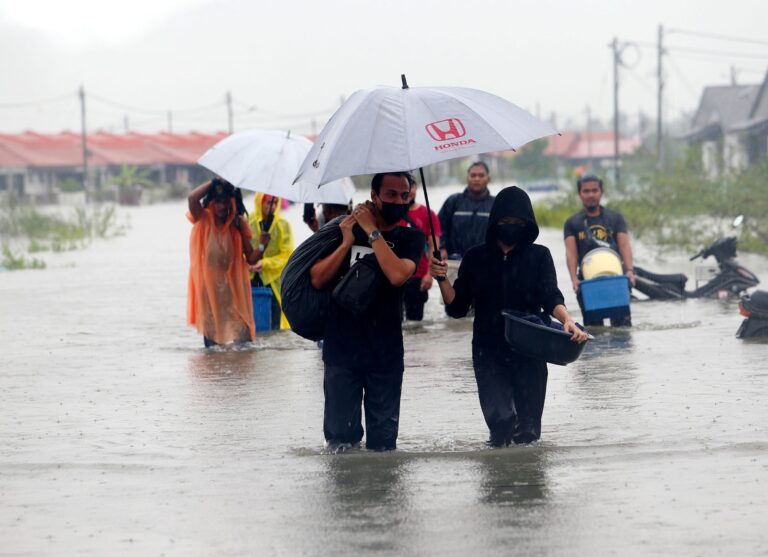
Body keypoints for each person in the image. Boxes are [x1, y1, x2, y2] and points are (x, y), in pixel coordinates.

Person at [430, 186, 587, 446]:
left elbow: (550, 296)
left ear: (528, 224)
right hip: (487, 350)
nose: (511, 227)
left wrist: (567, 320)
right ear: (495, 222)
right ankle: (498, 478)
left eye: (518, 223)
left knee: (528, 433)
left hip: (530, 350)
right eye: (505, 222)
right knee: (501, 421)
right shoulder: (476, 257)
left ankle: (525, 481)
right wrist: (442, 279)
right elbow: (457, 307)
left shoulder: (539, 256)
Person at [309, 172, 424, 452]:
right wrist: (347, 241)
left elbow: (398, 275)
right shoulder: (345, 230)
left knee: (383, 448)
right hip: (341, 351)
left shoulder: (411, 237)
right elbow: (317, 278)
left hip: (385, 354)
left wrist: (373, 232)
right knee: (340, 444)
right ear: (375, 196)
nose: (399, 201)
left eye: (404, 196)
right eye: (391, 195)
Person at [187, 178, 260, 347]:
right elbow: (192, 198)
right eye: (217, 202)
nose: (221, 206)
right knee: (212, 346)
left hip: (233, 290)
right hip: (209, 289)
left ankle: (239, 373)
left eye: (225, 202)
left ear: (232, 201)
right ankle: (216, 372)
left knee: (243, 341)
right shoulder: (203, 218)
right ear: (211, 202)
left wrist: (262, 245)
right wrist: (214, 182)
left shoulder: (237, 223)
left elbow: (251, 258)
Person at [563, 175, 635, 327]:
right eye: (586, 191)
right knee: (593, 329)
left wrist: (629, 271)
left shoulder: (615, 218)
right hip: (587, 281)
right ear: (580, 194)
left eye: (594, 190)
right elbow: (571, 253)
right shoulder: (572, 223)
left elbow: (624, 246)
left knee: (622, 328)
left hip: (616, 278)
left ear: (601, 192)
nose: (590, 195)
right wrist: (574, 279)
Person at [248, 193, 294, 330]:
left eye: (274, 203)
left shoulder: (283, 225)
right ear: (260, 203)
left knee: (274, 323)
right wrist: (248, 263)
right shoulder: (248, 222)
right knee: (250, 321)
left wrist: (265, 263)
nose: (272, 207)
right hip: (250, 278)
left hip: (273, 281)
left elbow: (286, 255)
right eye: (268, 203)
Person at [399, 180, 441, 321]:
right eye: (404, 188)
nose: (408, 191)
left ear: (416, 189)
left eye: (411, 187)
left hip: (418, 277)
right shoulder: (390, 215)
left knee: (415, 325)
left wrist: (430, 274)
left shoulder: (428, 214)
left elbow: (434, 247)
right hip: (394, 275)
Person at [438, 161, 495, 261]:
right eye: (473, 175)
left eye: (481, 175)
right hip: (455, 260)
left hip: (487, 262)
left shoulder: (495, 203)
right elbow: (439, 227)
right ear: (467, 178)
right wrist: (441, 248)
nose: (477, 179)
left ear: (488, 179)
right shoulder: (453, 201)